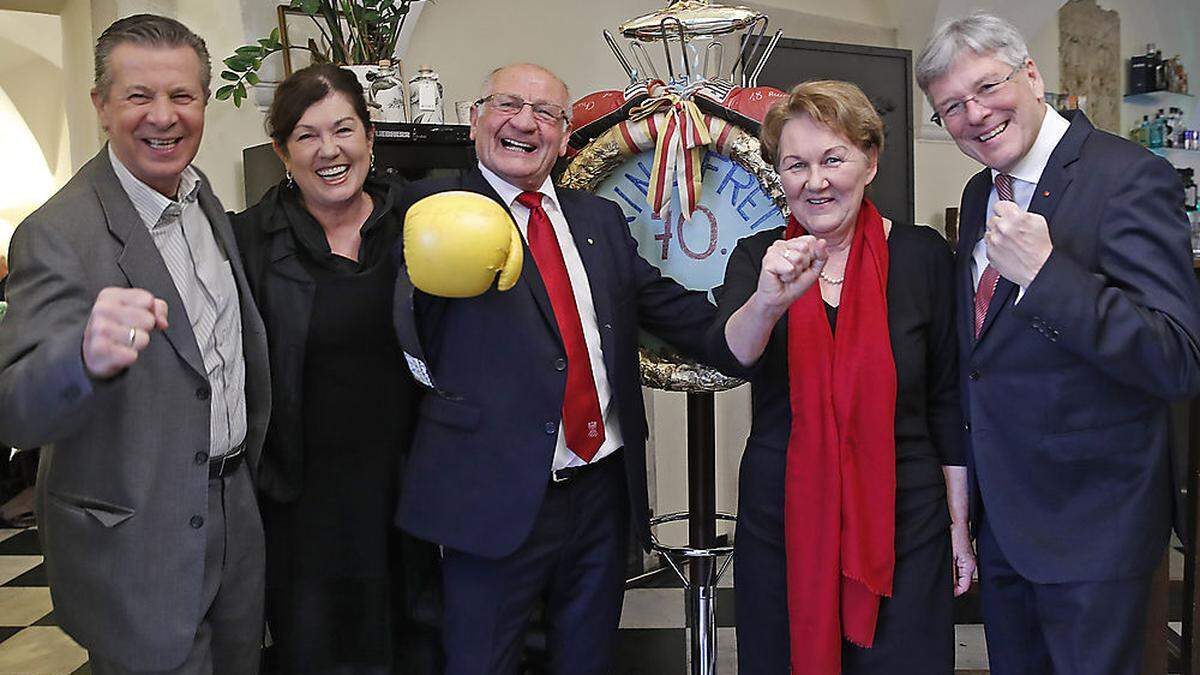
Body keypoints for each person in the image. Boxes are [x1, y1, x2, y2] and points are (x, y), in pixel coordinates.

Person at [392, 62, 716, 675]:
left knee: (587, 661)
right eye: (507, 104)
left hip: (598, 490)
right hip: (491, 495)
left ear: (566, 137)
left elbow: (672, 310)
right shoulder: (426, 209)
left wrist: (767, 312)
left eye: (546, 113)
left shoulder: (597, 221)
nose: (524, 122)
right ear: (474, 118)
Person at [916, 13, 1200, 673]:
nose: (975, 115)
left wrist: (1048, 277)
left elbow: (1178, 356)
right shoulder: (978, 189)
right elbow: (984, 360)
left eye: (987, 88)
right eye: (951, 107)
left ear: (1033, 75)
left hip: (1094, 528)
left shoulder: (1130, 177)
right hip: (1007, 524)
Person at [0, 14, 270, 675]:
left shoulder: (205, 203)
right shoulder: (57, 232)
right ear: (101, 105)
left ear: (204, 102)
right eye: (138, 96)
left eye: (181, 96)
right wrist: (82, 358)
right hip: (136, 545)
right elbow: (15, 406)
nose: (164, 116)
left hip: (236, 514)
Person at [706, 80, 973, 674]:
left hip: (906, 519)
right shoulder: (758, 257)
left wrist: (960, 524)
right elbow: (733, 356)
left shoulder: (923, 256)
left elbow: (948, 399)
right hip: (785, 517)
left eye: (833, 159)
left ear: (870, 161)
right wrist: (769, 300)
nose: (815, 181)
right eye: (795, 165)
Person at [231, 63, 438, 675]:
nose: (329, 150)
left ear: (370, 137)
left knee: (415, 646)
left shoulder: (422, 221)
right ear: (281, 151)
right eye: (306, 135)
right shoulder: (247, 243)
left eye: (344, 129)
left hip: (409, 490)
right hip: (300, 502)